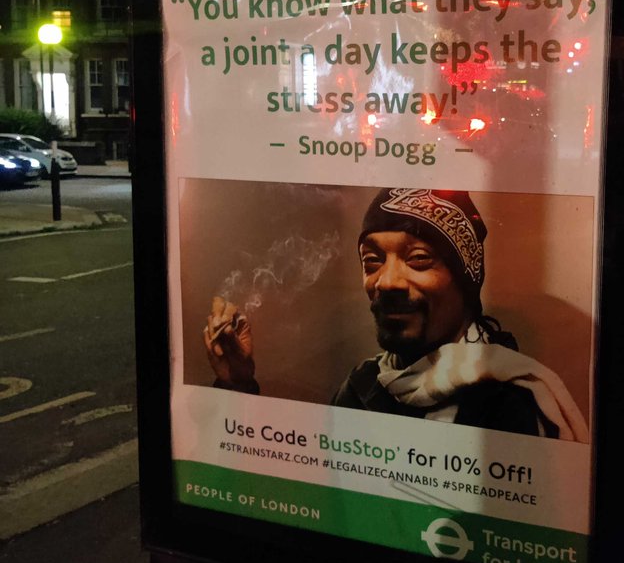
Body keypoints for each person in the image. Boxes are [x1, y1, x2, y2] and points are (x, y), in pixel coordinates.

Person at [204, 188, 588, 441]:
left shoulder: (510, 401)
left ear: (465, 281)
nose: (386, 282)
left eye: (418, 259)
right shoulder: (363, 387)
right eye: (372, 261)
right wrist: (238, 385)